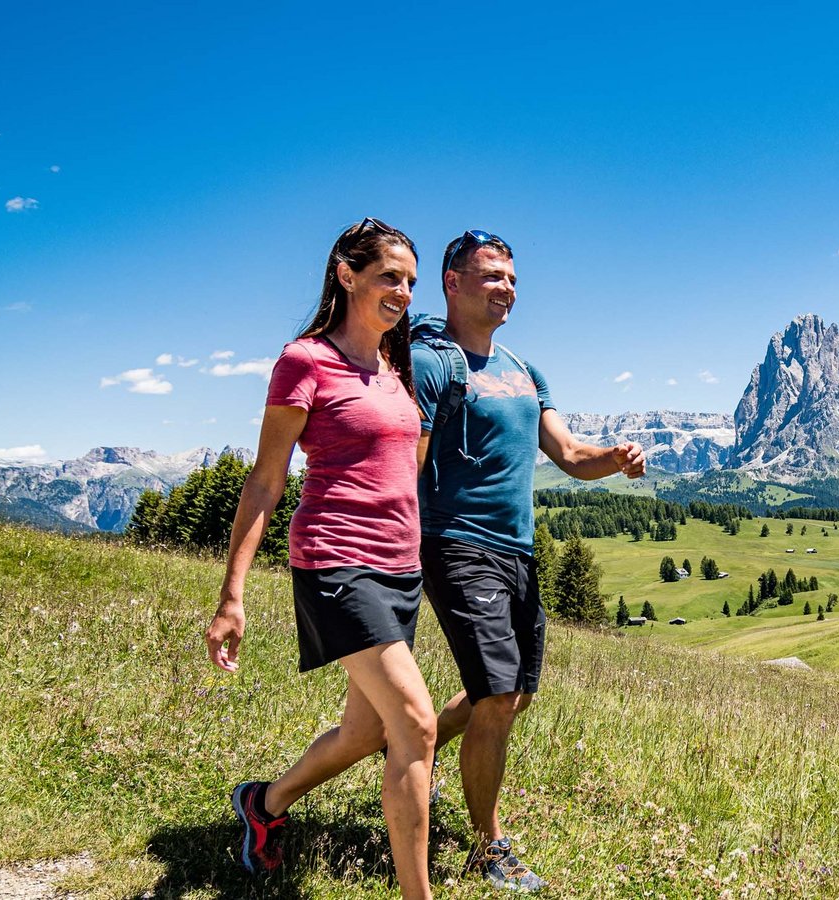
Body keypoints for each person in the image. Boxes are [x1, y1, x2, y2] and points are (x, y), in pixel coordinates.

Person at [205, 218, 436, 900]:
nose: (402, 292)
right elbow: (266, 480)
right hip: (336, 562)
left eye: (411, 282)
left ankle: (263, 806)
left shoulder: (398, 370)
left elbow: (405, 467)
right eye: (389, 276)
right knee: (416, 724)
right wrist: (232, 596)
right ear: (346, 273)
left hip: (400, 570)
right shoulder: (305, 359)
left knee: (367, 732)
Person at [412, 229, 645, 891]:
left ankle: (416, 744)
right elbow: (409, 462)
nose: (505, 288)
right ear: (452, 283)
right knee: (498, 695)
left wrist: (617, 459)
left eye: (511, 278)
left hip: (517, 550)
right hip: (455, 543)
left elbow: (570, 456)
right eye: (490, 276)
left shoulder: (524, 369)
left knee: (514, 700)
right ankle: (487, 847)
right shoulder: (433, 363)